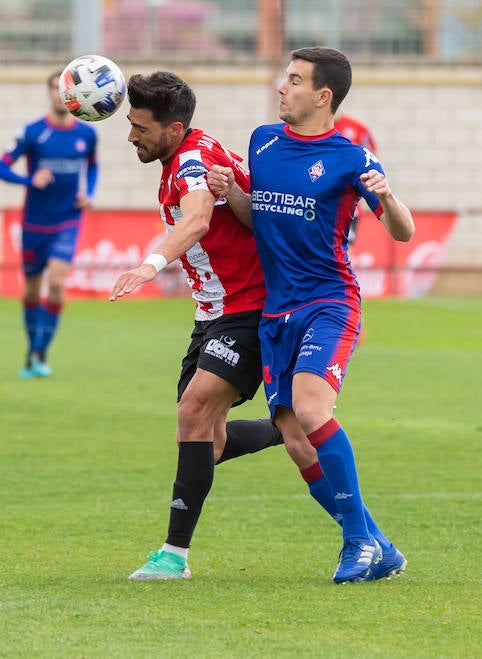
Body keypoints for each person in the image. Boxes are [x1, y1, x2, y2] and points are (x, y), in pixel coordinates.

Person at [207, 47, 413, 583]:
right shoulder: (262, 141)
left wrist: (388, 198)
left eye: (294, 80)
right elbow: (261, 218)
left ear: (323, 96)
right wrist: (231, 196)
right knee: (296, 440)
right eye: (284, 77)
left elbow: (403, 231)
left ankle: (356, 544)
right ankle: (377, 546)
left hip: (329, 302)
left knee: (311, 406)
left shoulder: (352, 159)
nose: (282, 87)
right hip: (277, 312)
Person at [108, 71, 300, 580]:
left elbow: (195, 220)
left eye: (140, 128)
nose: (131, 136)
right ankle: (286, 426)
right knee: (204, 440)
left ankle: (173, 557)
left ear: (172, 129)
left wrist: (148, 266)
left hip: (250, 307)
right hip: (212, 313)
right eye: (130, 124)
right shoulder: (188, 150)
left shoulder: (192, 159)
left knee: (192, 412)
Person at [0, 72, 98, 378]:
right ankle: (32, 349)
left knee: (56, 283)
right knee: (31, 289)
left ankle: (40, 351)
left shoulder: (87, 135)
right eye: (55, 88)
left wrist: (88, 193)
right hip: (34, 223)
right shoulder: (32, 133)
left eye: (65, 89)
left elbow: (92, 166)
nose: (60, 94)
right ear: (49, 94)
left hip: (68, 219)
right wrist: (29, 179)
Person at [333, 113, 377, 243]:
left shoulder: (358, 128)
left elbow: (371, 160)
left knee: (345, 249)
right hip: (320, 202)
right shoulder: (314, 128)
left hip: (349, 206)